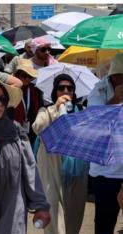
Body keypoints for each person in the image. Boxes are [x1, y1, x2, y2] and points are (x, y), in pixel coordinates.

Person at [0, 69, 50, 234]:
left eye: (3, 99)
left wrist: (40, 205)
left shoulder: (16, 131)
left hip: (11, 212)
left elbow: (30, 169)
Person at [32, 74, 89, 234]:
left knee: (73, 217)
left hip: (75, 174)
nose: (65, 91)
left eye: (69, 88)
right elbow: (37, 127)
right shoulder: (46, 110)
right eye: (61, 88)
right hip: (52, 169)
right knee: (53, 215)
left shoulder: (80, 113)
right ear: (55, 92)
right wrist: (56, 107)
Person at [87, 53, 123, 234]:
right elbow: (94, 121)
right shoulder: (98, 91)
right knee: (104, 222)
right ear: (113, 76)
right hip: (105, 172)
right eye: (121, 76)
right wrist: (115, 100)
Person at [13, 59, 44, 146]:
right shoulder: (11, 89)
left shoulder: (35, 89)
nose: (27, 79)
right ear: (17, 75)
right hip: (14, 130)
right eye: (24, 76)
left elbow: (38, 109)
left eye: (29, 76)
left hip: (30, 131)